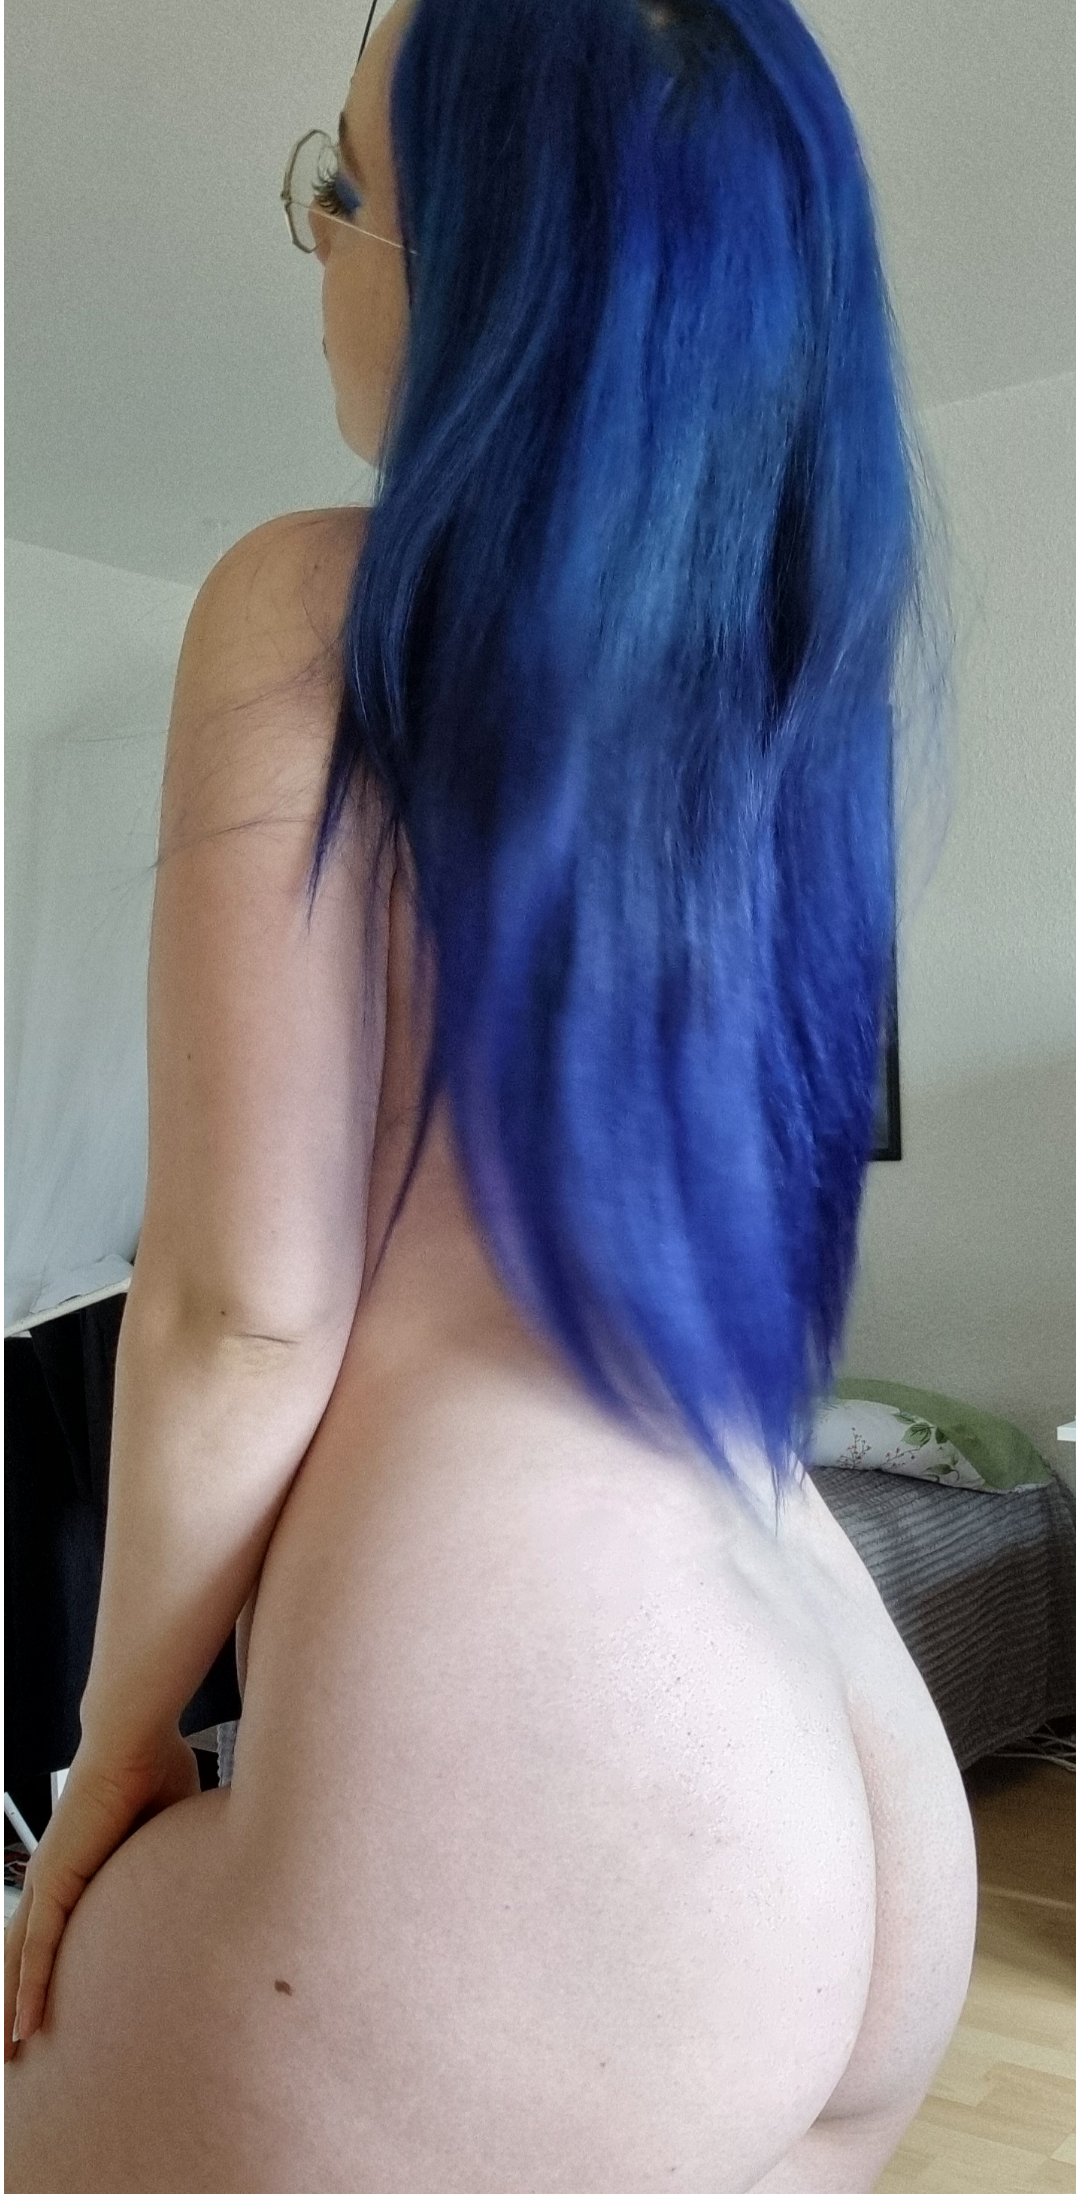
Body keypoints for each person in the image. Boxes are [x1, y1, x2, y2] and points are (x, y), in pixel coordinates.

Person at [4, 1, 978, 2187]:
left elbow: (243, 1306)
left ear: (501, 279)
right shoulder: (779, 706)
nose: (318, 236)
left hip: (540, 1792)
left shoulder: (310, 604)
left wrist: (113, 1748)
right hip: (839, 1728)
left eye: (347, 186)